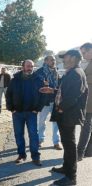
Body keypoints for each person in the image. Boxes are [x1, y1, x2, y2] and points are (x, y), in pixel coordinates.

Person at [41, 50, 88, 185]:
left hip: (68, 115)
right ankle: (66, 168)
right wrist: (52, 90)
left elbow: (73, 97)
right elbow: (66, 91)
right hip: (66, 114)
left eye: (65, 57)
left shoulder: (76, 74)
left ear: (73, 58)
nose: (62, 60)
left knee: (69, 145)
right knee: (67, 144)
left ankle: (71, 177)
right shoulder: (73, 72)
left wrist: (60, 108)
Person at [6, 60, 43, 166]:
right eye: (28, 66)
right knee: (18, 134)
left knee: (33, 135)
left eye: (31, 66)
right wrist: (11, 108)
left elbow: (43, 95)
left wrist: (38, 108)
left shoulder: (38, 80)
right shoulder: (15, 80)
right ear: (23, 67)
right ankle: (22, 155)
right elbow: (8, 94)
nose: (30, 68)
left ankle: (35, 157)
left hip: (32, 113)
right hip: (17, 113)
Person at [34, 56, 62, 150]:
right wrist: (43, 86)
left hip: (55, 100)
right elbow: (35, 86)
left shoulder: (56, 71)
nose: (54, 61)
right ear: (45, 61)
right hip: (44, 101)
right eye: (51, 60)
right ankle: (40, 140)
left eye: (54, 60)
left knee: (56, 122)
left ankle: (56, 142)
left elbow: (59, 85)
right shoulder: (39, 72)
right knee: (42, 121)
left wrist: (53, 89)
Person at [78, 42, 92, 161]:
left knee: (86, 126)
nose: (82, 55)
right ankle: (87, 151)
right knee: (87, 126)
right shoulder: (85, 63)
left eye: (84, 53)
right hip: (84, 98)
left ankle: (80, 153)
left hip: (89, 100)